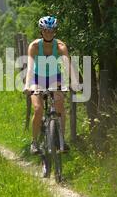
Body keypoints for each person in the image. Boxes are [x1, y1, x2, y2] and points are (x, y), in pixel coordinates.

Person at [24, 16, 77, 155]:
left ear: (55, 31)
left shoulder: (60, 46)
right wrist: (27, 85)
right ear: (41, 31)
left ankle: (61, 139)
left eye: (51, 31)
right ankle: (34, 142)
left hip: (55, 77)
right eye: (46, 31)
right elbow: (30, 67)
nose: (49, 33)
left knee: (59, 105)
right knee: (38, 109)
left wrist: (73, 82)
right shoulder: (35, 46)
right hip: (37, 78)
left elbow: (67, 65)